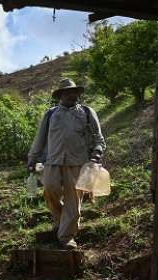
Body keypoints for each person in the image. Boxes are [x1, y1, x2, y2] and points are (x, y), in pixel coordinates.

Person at [28, 78, 106, 250]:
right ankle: (63, 220)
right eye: (68, 93)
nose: (72, 95)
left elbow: (98, 138)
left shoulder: (86, 112)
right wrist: (32, 159)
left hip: (77, 162)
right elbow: (39, 139)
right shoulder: (50, 114)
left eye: (74, 92)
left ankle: (66, 237)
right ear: (60, 96)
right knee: (49, 190)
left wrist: (97, 152)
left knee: (73, 201)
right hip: (52, 161)